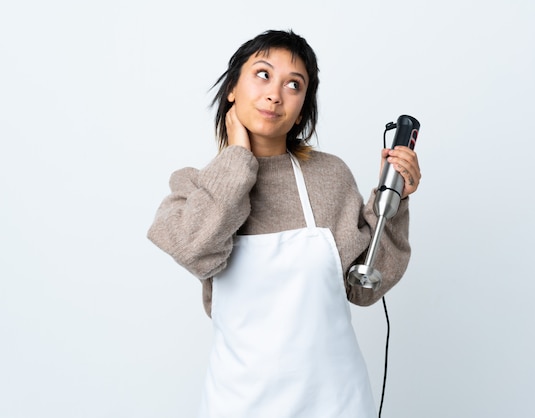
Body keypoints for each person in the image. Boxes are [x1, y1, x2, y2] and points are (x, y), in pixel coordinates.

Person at [147, 29, 421, 418]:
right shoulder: (195, 186)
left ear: (303, 106)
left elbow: (363, 288)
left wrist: (392, 201)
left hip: (336, 403)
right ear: (232, 89)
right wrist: (239, 159)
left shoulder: (330, 176)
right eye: (262, 74)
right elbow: (196, 249)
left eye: (294, 84)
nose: (275, 94)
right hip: (240, 405)